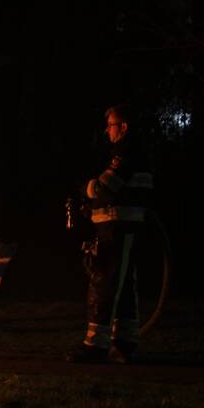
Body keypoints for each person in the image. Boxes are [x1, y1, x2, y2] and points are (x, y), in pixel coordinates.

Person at [68, 104, 154, 363]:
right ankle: (125, 341)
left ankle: (96, 344)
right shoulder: (135, 151)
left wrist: (86, 188)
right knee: (124, 284)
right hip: (125, 225)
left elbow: (106, 187)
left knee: (104, 281)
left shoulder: (126, 152)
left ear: (124, 127)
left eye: (111, 125)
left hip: (118, 226)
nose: (108, 131)